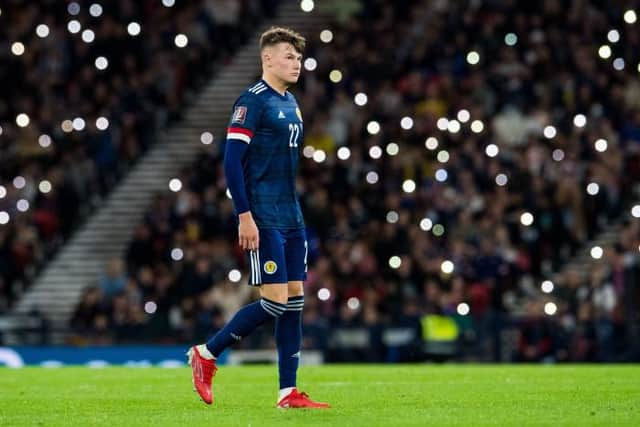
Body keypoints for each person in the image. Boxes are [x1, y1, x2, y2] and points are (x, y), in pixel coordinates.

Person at [187, 27, 330, 409]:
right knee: (275, 302)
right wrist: (244, 215)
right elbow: (232, 161)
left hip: (291, 215)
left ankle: (288, 392)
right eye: (288, 56)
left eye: (298, 58)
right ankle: (207, 352)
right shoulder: (252, 101)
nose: (296, 63)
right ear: (267, 58)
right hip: (263, 214)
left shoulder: (291, 102)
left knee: (295, 299)